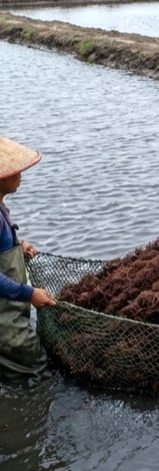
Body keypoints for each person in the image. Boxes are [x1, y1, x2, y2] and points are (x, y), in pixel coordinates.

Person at [0, 136, 57, 377]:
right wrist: (30, 294)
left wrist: (17, 246)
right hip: (5, 321)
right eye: (16, 171)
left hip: (10, 312)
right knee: (37, 368)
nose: (21, 174)